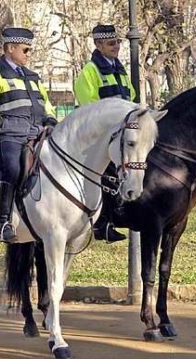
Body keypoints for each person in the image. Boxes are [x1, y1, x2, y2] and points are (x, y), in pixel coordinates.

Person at [0, 27, 57, 243]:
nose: (29, 54)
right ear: (10, 48)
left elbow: (46, 104)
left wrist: (50, 119)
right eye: (26, 50)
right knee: (11, 169)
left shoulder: (33, 76)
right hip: (10, 135)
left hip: (38, 134)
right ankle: (3, 223)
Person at [74, 24, 135, 243]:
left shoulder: (120, 69)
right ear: (99, 45)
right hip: (100, 137)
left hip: (121, 133)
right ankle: (103, 224)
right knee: (108, 173)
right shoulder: (90, 71)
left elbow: (130, 99)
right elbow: (88, 106)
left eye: (118, 42)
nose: (116, 46)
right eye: (111, 43)